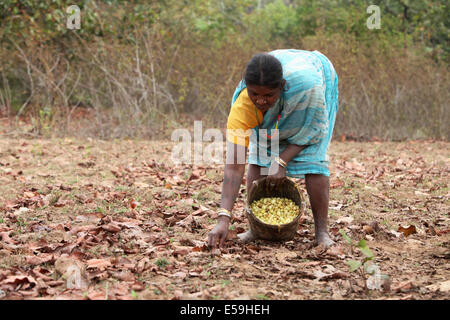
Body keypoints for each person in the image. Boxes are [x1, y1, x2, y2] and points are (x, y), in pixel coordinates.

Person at [207, 49, 339, 249]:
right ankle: (256, 228)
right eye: (255, 94)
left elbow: (313, 131)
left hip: (314, 79)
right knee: (259, 157)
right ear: (246, 87)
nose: (260, 101)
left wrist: (281, 160)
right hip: (287, 83)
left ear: (282, 87)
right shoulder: (243, 107)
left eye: (268, 95)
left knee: (314, 161)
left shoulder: (307, 89)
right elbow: (234, 166)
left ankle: (321, 232)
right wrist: (223, 220)